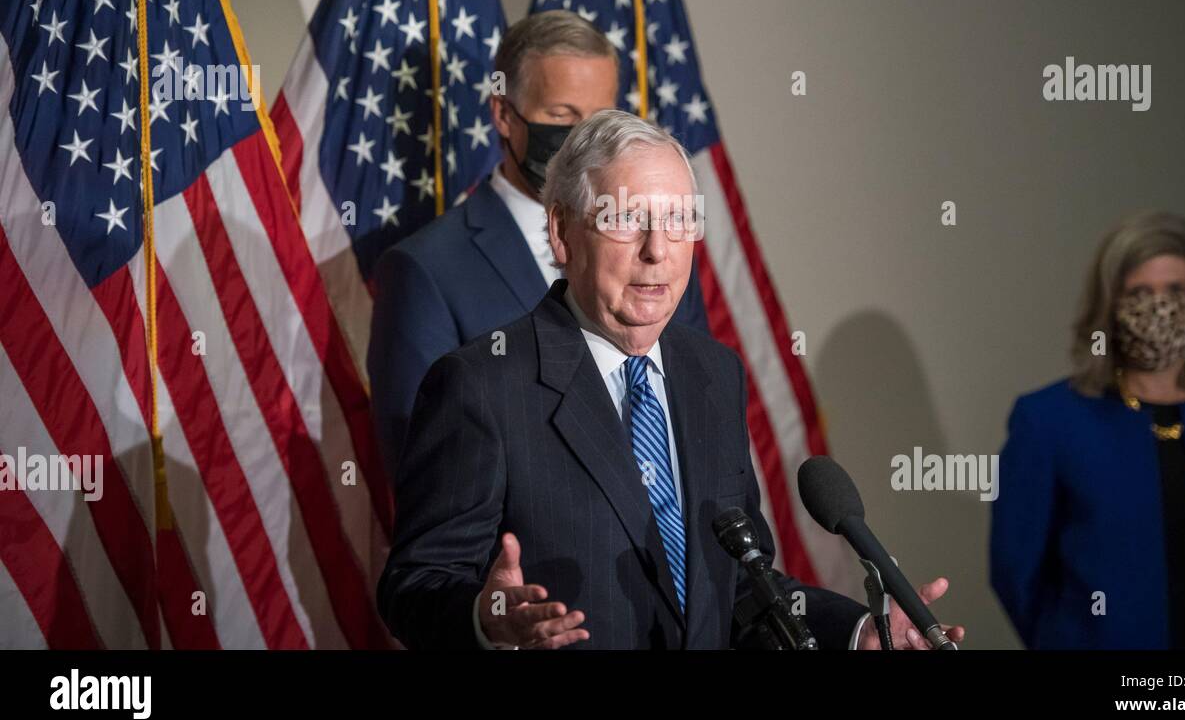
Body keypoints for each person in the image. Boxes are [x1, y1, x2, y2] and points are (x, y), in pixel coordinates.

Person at [379, 110, 964, 649]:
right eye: (627, 220)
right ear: (562, 232)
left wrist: (858, 632)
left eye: (679, 220)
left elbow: (739, 585)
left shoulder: (711, 373)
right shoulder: (482, 386)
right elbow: (414, 586)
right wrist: (487, 618)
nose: (658, 250)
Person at [368, 11, 709, 477]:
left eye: (600, 120)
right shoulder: (425, 270)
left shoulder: (659, 251)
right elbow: (425, 470)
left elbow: (698, 415)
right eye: (562, 116)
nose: (585, 142)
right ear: (504, 115)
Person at [991, 211, 1185, 649]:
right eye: (1140, 292)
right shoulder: (1048, 419)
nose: (1160, 305)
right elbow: (1016, 568)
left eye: (1175, 290)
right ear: (1111, 304)